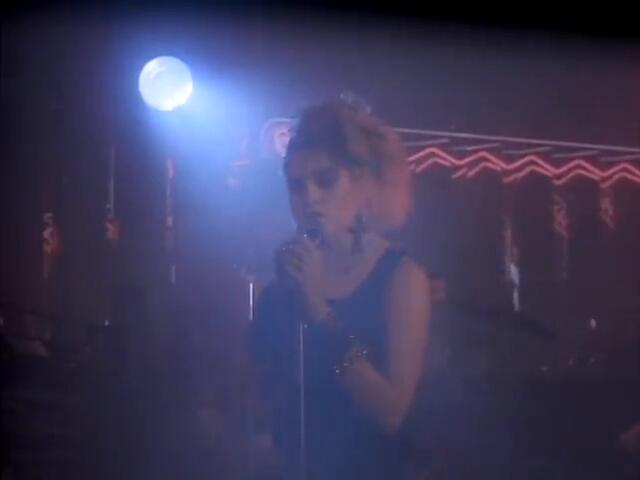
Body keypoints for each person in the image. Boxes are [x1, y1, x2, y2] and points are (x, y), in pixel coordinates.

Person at [248, 100, 431, 479]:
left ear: (362, 184)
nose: (310, 198)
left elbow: (391, 412)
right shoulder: (284, 284)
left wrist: (319, 311)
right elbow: (254, 401)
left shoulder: (402, 278)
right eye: (296, 186)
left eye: (326, 180)